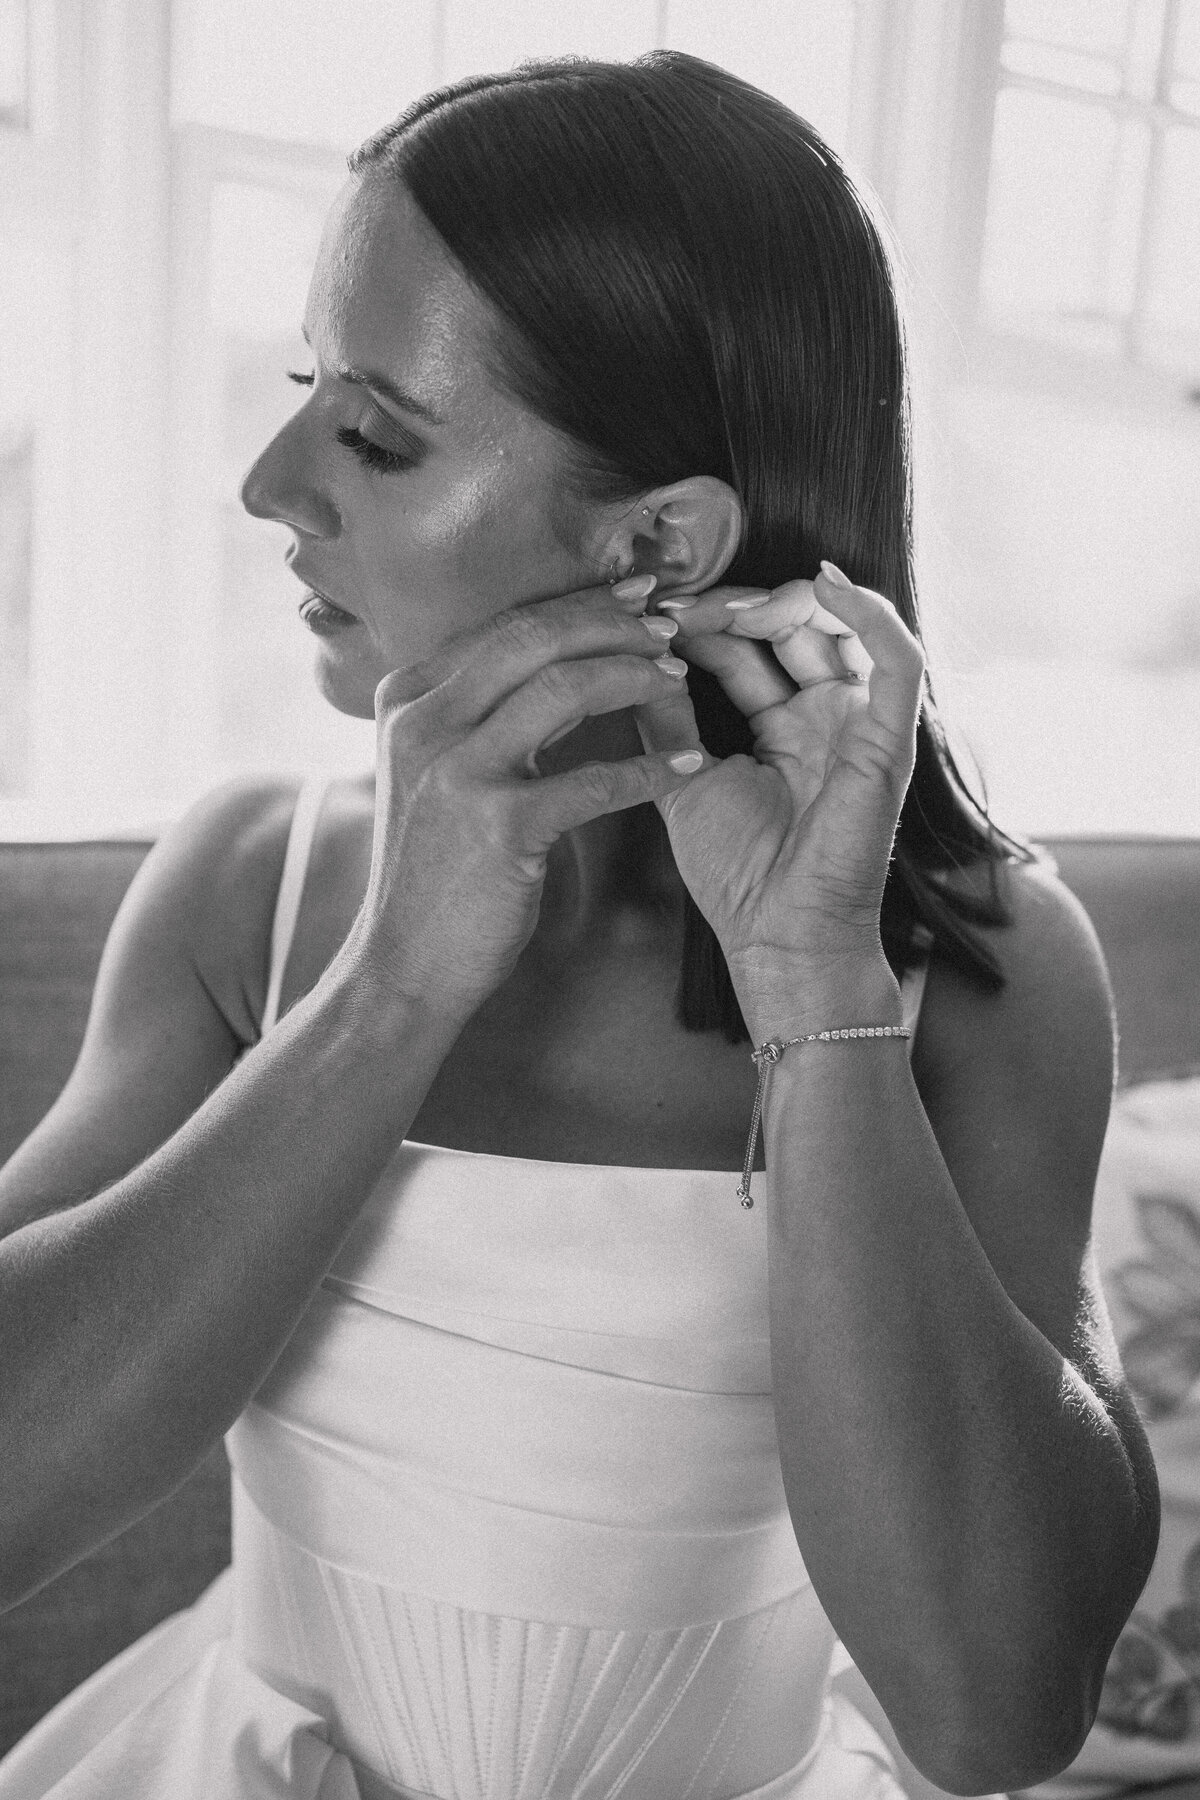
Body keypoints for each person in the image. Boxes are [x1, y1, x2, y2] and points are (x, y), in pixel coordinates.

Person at [0, 49, 1159, 1800]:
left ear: (653, 549)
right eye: (312, 382)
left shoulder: (990, 971)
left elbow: (994, 1713)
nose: (269, 478)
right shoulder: (256, 886)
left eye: (374, 430)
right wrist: (391, 984)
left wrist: (816, 986)